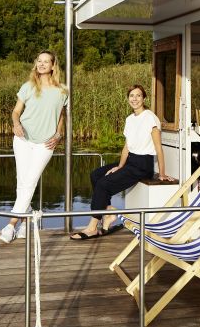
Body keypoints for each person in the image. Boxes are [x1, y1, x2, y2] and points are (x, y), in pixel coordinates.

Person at [70, 84, 174, 240]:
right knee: (96, 175)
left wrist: (162, 173)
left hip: (142, 165)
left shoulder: (150, 118)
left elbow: (159, 148)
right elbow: (127, 146)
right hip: (130, 161)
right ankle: (108, 211)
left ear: (144, 98)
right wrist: (119, 166)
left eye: (138, 96)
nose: (135, 99)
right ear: (128, 99)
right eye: (132, 96)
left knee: (104, 184)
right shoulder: (130, 119)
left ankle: (92, 227)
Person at [0, 50, 68, 243]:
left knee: (29, 182)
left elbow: (62, 116)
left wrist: (59, 134)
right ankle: (26, 222)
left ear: (53, 66)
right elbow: (16, 112)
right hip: (22, 139)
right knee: (22, 183)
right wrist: (16, 124)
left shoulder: (63, 90)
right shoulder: (28, 87)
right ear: (36, 64)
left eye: (46, 61)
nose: (42, 64)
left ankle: (11, 224)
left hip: (46, 144)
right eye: (39, 61)